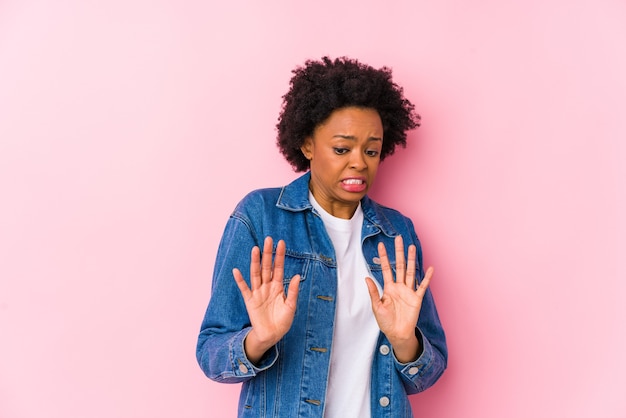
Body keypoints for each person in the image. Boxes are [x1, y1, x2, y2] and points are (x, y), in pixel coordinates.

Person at [196, 56, 447, 418]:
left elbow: (428, 370)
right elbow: (211, 353)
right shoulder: (260, 217)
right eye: (342, 149)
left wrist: (405, 340)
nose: (359, 162)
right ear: (307, 144)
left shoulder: (397, 234)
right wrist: (260, 339)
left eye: (372, 150)